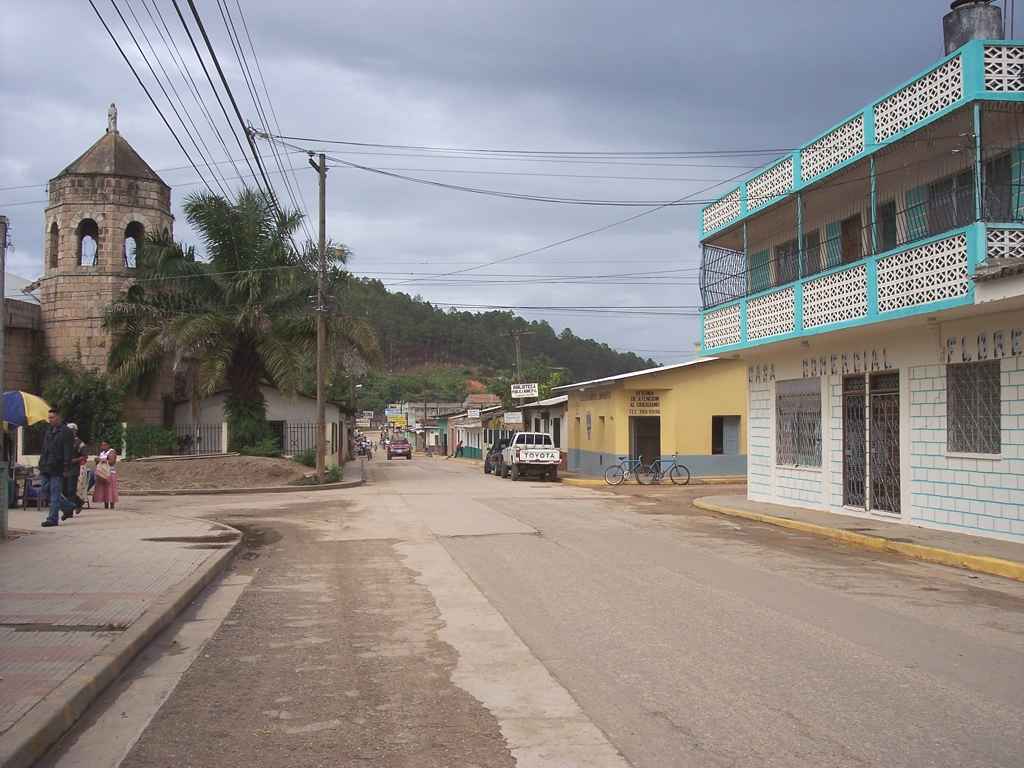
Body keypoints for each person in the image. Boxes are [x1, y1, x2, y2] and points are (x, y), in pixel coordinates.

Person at [38, 408, 76, 527]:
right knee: (45, 490)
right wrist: (41, 462)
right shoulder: (48, 430)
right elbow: (44, 448)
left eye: (52, 417)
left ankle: (52, 519)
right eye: (49, 417)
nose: (50, 420)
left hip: (57, 467)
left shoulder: (66, 432)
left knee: (55, 493)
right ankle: (68, 506)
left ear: (59, 417)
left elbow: (68, 452)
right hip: (45, 465)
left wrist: (66, 467)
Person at [93, 440, 119, 510]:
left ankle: (112, 505)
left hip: (110, 472)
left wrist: (101, 460)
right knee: (104, 489)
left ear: (108, 445)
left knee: (110, 488)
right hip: (102, 473)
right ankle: (106, 505)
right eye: (102, 445)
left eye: (104, 445)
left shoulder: (112, 451)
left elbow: (112, 462)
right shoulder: (102, 453)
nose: (103, 447)